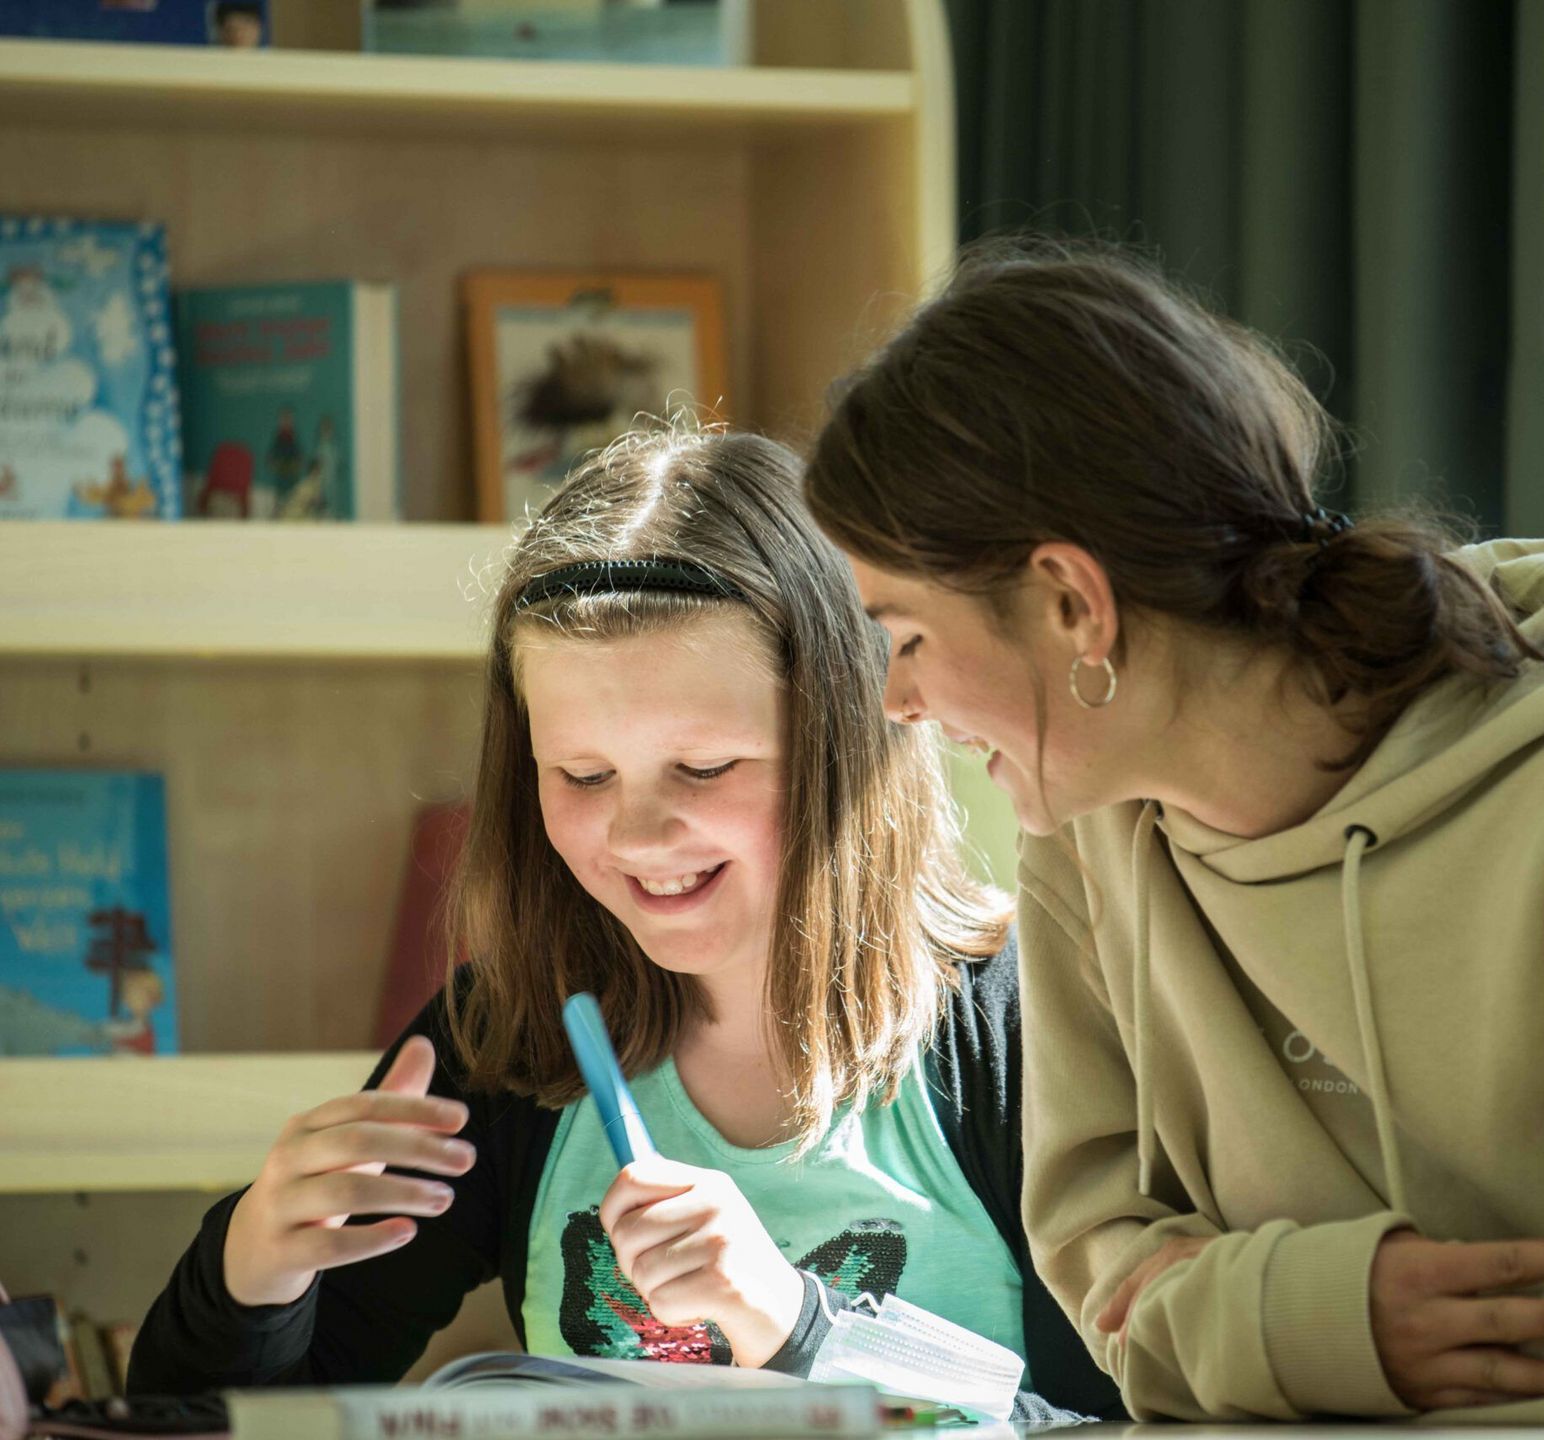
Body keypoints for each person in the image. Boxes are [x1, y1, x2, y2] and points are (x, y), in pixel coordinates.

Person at [801, 241, 1544, 1439]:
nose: (895, 702)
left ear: (1075, 601)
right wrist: (1331, 1323)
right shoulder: (1087, 838)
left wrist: (1285, 1334)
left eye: (904, 635)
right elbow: (1102, 1267)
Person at [127, 429, 1119, 1422]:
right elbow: (199, 1417)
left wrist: (802, 1328)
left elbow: (1152, 1423)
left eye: (705, 768)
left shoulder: (1030, 1034)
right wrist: (253, 1269)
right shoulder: (509, 1039)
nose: (638, 834)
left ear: (848, 741)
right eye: (583, 775)